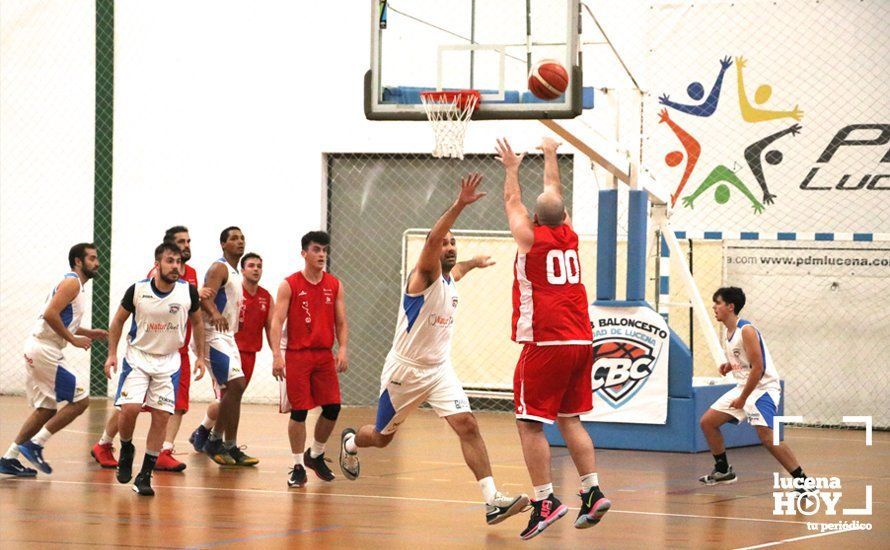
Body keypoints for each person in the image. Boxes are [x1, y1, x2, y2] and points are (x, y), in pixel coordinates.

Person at [338, 174, 529, 526]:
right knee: (381, 439)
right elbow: (435, 239)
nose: (450, 247)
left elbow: (457, 269)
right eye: (444, 243)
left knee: (468, 425)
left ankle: (492, 500)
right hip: (405, 373)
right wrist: (459, 204)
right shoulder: (422, 275)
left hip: (439, 370)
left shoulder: (447, 278)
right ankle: (351, 441)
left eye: (454, 243)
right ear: (432, 248)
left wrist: (473, 262)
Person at [496, 137, 611, 540]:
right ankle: (591, 490)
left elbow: (513, 202)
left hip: (546, 343)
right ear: (564, 217)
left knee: (529, 423)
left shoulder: (531, 239)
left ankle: (545, 500)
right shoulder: (571, 236)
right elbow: (555, 195)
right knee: (569, 418)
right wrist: (549, 154)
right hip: (582, 340)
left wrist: (511, 167)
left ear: (537, 220)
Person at [92, 226, 200, 471]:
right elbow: (140, 311)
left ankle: (161, 451)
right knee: (130, 406)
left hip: (174, 350)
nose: (186, 247)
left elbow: (195, 312)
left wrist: (199, 350)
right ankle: (109, 443)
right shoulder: (152, 279)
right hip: (148, 348)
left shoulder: (190, 275)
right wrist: (112, 353)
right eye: (181, 242)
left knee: (174, 406)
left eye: (188, 242)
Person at [0, 243, 107, 477]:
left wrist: (88, 333)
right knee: (81, 400)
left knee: (46, 409)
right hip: (44, 349)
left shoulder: (77, 286)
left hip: (41, 347)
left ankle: (9, 457)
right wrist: (75, 340)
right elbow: (50, 315)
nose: (97, 263)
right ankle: (35, 444)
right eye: (91, 258)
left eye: (96, 258)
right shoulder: (72, 283)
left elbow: (63, 319)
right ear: (78, 261)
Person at [699, 286, 810, 488]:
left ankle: (803, 480)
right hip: (745, 386)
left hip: (763, 388)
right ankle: (723, 470)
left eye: (718, 303)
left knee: (767, 437)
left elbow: (758, 367)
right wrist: (729, 365)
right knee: (708, 422)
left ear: (730, 307)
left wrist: (742, 398)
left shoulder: (746, 330)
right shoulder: (728, 331)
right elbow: (745, 361)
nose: (714, 307)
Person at [269, 232, 348, 488]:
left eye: (325, 249)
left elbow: (341, 321)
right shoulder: (289, 284)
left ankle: (315, 454)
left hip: (324, 355)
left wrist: (343, 348)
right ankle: (297, 465)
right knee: (300, 411)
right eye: (316, 249)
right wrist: (276, 356)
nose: (322, 254)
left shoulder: (334, 284)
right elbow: (277, 321)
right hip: (298, 355)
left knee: (333, 407)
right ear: (304, 253)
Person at [189, 252, 273, 452]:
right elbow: (205, 301)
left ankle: (220, 440)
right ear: (242, 270)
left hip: (247, 351)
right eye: (251, 265)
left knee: (234, 396)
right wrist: (214, 313)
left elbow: (271, 326)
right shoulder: (230, 284)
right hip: (223, 345)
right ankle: (206, 433)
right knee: (225, 396)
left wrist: (277, 354)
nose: (256, 269)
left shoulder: (265, 296)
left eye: (259, 266)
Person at [200, 226, 257, 466]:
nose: (240, 241)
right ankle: (214, 441)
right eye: (234, 238)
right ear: (223, 244)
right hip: (213, 335)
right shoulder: (219, 267)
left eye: (242, 238)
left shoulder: (235, 272)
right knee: (236, 385)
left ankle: (231, 446)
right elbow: (205, 297)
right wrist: (214, 313)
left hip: (228, 336)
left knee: (236, 391)